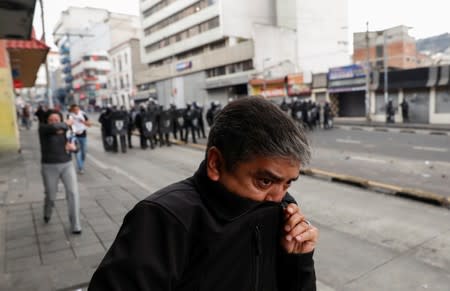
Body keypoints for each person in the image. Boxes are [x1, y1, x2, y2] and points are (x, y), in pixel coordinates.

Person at [89, 97, 318, 290]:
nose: (278, 196)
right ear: (216, 164)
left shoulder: (282, 210)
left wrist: (298, 258)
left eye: (288, 183)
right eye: (265, 181)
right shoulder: (164, 219)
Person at [38, 110, 82, 234]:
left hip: (67, 165)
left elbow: (76, 145)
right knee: (51, 195)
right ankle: (47, 212)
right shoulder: (43, 129)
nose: (54, 122)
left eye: (56, 119)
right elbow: (54, 127)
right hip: (49, 167)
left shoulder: (67, 131)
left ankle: (75, 225)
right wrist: (65, 123)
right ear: (47, 121)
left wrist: (74, 148)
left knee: (73, 193)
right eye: (51, 120)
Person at [68, 104, 91, 174]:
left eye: (77, 109)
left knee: (84, 151)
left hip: (83, 135)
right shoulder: (70, 115)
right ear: (72, 110)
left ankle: (81, 162)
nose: (76, 111)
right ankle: (80, 167)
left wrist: (83, 121)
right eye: (75, 110)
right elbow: (68, 124)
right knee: (78, 152)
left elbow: (89, 124)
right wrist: (72, 125)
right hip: (74, 135)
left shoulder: (83, 114)